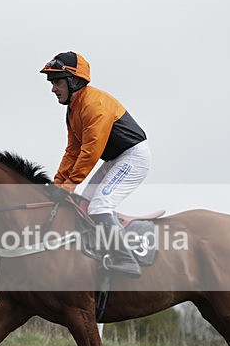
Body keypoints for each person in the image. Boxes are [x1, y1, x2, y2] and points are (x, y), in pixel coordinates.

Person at [40, 51, 151, 277]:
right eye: (52, 83)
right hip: (115, 159)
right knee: (84, 204)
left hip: (133, 157)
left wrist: (70, 184)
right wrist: (58, 183)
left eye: (57, 82)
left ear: (74, 81)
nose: (53, 88)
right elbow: (72, 150)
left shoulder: (93, 105)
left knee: (100, 206)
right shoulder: (73, 109)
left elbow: (90, 151)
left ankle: (126, 258)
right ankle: (100, 251)